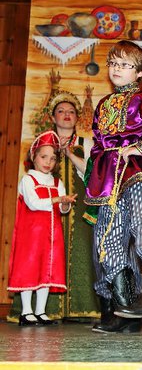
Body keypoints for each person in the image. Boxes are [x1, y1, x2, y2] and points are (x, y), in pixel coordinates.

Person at [86, 40, 142, 333]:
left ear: (139, 72)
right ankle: (124, 308)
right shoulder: (103, 104)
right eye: (113, 63)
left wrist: (141, 146)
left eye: (125, 65)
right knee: (108, 241)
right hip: (108, 181)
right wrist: (94, 174)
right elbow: (98, 143)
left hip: (137, 172)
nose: (117, 69)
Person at [8, 130, 76, 326]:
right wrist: (57, 199)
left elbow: (63, 210)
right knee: (30, 269)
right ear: (33, 157)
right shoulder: (28, 180)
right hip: (31, 235)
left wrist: (65, 204)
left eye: (53, 158)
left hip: (52, 236)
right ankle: (26, 311)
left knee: (48, 269)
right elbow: (33, 203)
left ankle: (40, 311)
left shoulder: (57, 182)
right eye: (43, 157)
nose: (48, 162)